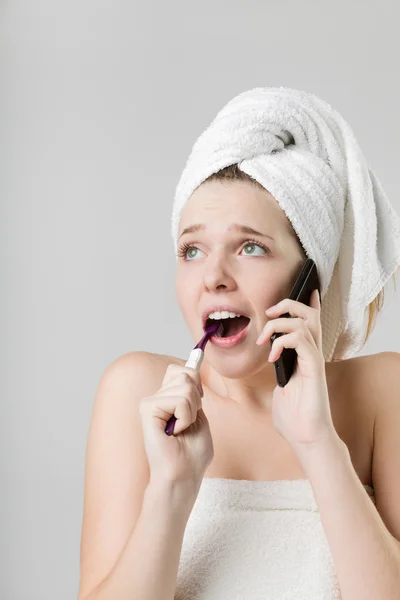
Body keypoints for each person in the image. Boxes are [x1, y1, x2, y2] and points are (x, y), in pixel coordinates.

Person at [77, 88, 400, 600]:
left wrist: (318, 444)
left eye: (250, 247)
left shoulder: (383, 392)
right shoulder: (135, 391)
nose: (213, 277)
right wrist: (172, 488)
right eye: (192, 249)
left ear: (307, 282)